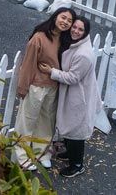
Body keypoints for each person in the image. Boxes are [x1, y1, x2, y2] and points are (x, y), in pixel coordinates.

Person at [38, 15, 103, 178]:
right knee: (70, 125)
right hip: (74, 93)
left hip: (78, 95)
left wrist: (51, 72)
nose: (75, 31)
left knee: (76, 130)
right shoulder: (75, 44)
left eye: (80, 29)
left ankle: (77, 164)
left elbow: (73, 77)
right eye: (74, 27)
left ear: (85, 32)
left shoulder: (83, 54)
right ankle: (69, 153)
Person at [13, 7, 76, 170]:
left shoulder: (65, 40)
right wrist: (23, 87)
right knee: (27, 121)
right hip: (36, 86)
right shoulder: (39, 38)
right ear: (55, 17)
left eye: (69, 21)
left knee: (47, 122)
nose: (65, 22)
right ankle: (21, 155)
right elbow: (28, 64)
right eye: (63, 18)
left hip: (53, 87)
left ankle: (43, 153)